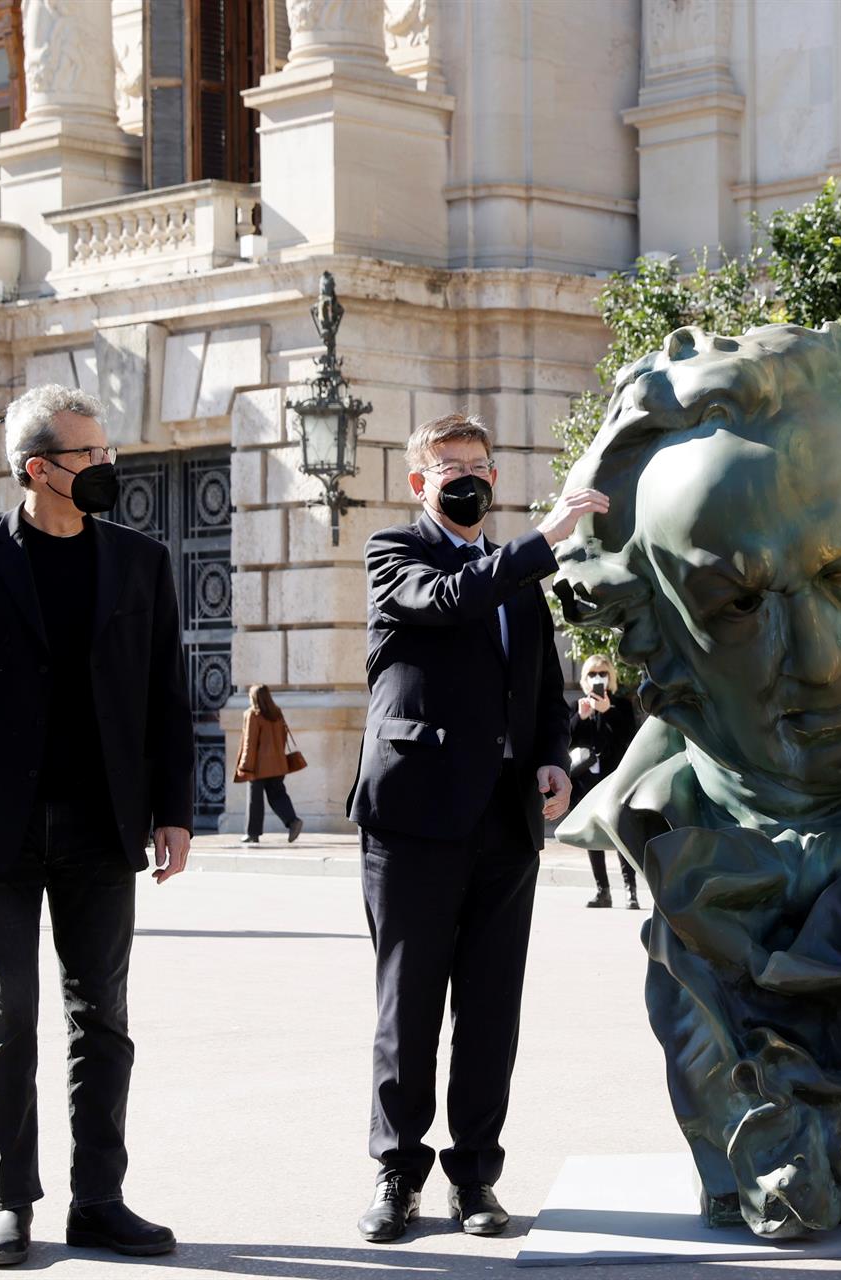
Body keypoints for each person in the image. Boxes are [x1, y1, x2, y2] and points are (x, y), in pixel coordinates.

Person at [0, 384, 194, 1267]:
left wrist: (174, 811)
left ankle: (100, 1199)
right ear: (38, 469)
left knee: (103, 1017)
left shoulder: (142, 561)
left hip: (104, 825)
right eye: (89, 456)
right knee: (5, 1015)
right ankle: (10, 1202)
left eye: (107, 452)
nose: (106, 468)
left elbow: (163, 701)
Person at [346, 411, 607, 1244]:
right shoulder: (396, 554)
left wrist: (552, 757)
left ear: (493, 477)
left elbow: (540, 693)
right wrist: (547, 535)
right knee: (409, 1004)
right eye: (447, 466)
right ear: (418, 483)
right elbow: (447, 600)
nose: (466, 477)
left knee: (491, 1008)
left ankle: (477, 1178)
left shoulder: (519, 585)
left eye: (479, 465)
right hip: (414, 817)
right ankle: (397, 1175)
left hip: (504, 818)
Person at [566, 655, 639, 909]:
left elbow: (629, 739)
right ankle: (602, 891)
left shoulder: (620, 705)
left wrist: (608, 712)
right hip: (587, 782)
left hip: (614, 779)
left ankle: (631, 891)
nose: (598, 678)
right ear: (585, 679)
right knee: (592, 836)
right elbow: (567, 741)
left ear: (611, 676)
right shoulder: (578, 706)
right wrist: (582, 718)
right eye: (593, 674)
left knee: (620, 834)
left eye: (603, 673)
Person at [234, 684, 304, 844]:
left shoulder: (253, 714)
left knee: (255, 800)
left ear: (253, 698)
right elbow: (282, 737)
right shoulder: (276, 712)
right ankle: (293, 821)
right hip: (278, 764)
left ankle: (252, 833)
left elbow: (249, 743)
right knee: (278, 795)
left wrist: (245, 765)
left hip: (258, 766)